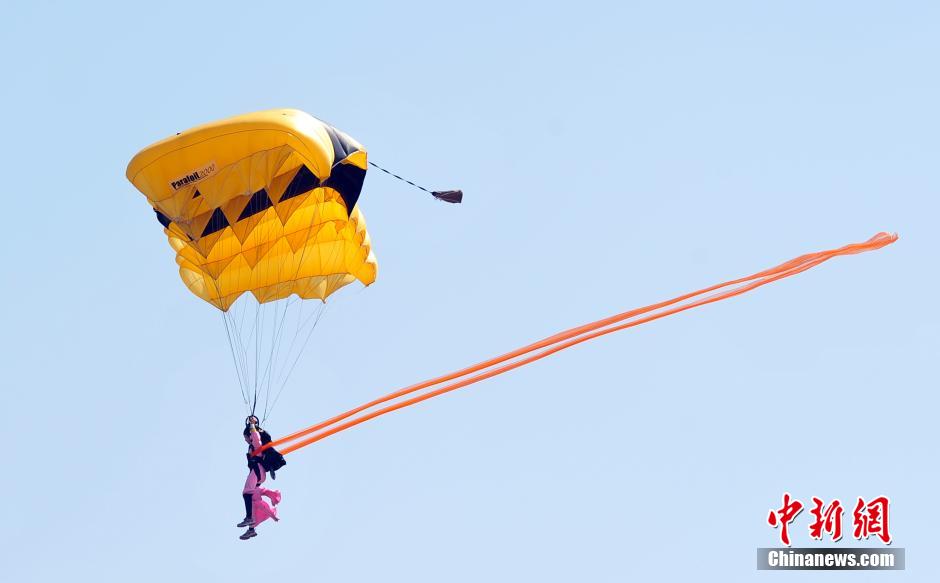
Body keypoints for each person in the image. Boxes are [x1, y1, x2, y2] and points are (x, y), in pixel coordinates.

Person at [238, 416, 281, 540]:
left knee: (246, 492)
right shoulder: (251, 447)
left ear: (249, 436)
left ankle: (249, 518)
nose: (245, 440)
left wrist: (252, 426)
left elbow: (256, 438)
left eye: (245, 437)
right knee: (252, 499)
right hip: (257, 473)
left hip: (258, 471)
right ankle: (251, 529)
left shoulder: (255, 444)